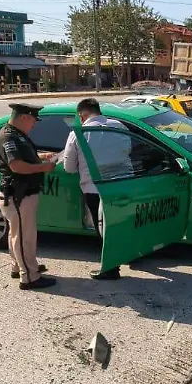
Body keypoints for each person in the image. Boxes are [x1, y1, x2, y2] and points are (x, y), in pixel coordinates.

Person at [0, 103, 58, 290]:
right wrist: (43, 167)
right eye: (33, 120)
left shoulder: (17, 135)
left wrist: (42, 156)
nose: (34, 124)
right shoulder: (8, 137)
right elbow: (17, 166)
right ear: (23, 117)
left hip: (20, 192)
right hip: (18, 193)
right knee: (24, 236)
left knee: (18, 233)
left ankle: (19, 266)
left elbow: (25, 157)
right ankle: (29, 277)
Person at [63, 98, 129, 280]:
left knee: (102, 227)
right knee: (120, 224)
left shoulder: (78, 133)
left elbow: (69, 168)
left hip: (94, 188)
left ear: (82, 116)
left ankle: (110, 268)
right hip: (122, 184)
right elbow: (128, 151)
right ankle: (126, 256)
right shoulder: (119, 126)